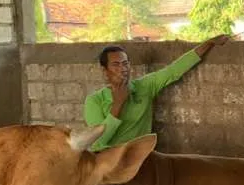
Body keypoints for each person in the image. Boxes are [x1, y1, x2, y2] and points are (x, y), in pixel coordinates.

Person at [82, 36, 229, 152]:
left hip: (141, 157)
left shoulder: (144, 86)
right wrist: (117, 105)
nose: (123, 69)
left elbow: (174, 70)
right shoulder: (94, 100)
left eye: (125, 63)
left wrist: (208, 44)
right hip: (110, 163)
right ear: (105, 70)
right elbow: (99, 142)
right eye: (116, 65)